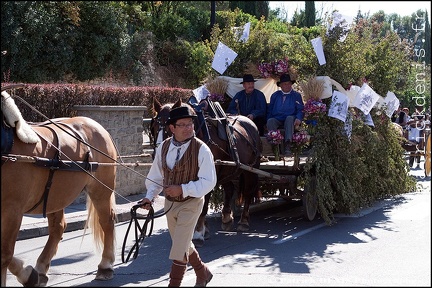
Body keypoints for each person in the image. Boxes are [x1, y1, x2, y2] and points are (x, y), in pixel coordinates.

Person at [138, 104, 217, 287]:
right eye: (183, 124)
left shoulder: (202, 149)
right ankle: (202, 272)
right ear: (172, 128)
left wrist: (183, 189)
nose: (189, 128)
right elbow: (156, 176)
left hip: (192, 202)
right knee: (183, 243)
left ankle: (174, 284)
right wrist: (149, 197)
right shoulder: (164, 147)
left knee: (178, 248)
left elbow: (209, 181)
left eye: (190, 123)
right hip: (170, 204)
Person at [266, 73, 304, 156]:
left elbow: (300, 109)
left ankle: (288, 145)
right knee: (270, 121)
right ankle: (275, 145)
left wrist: (298, 118)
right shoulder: (275, 95)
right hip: (277, 118)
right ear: (281, 86)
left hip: (290, 119)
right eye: (285, 84)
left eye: (289, 83)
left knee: (289, 119)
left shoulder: (296, 95)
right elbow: (270, 110)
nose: (287, 86)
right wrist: (267, 120)